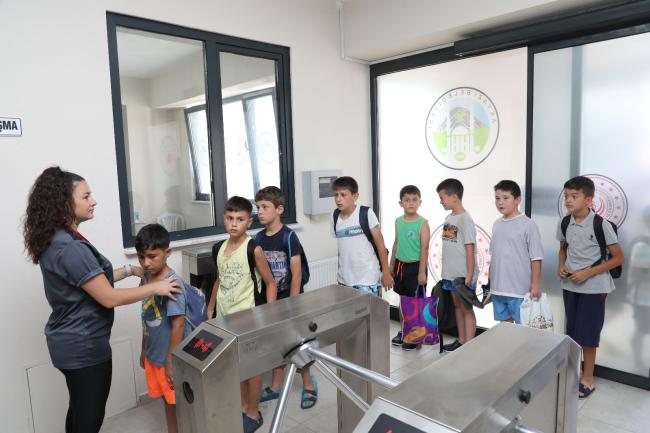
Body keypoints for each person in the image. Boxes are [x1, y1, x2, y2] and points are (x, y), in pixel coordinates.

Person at [23, 166, 180, 433]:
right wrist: (157, 287)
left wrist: (129, 270)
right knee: (89, 418)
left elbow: (89, 281)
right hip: (83, 347)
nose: (93, 201)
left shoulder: (59, 238)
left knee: (78, 409)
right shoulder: (70, 248)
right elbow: (108, 297)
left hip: (67, 342)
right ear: (64, 202)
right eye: (86, 196)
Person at [206, 196, 277, 433]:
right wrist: (210, 307)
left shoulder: (253, 249)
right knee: (234, 367)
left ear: (249, 222)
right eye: (230, 218)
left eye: (240, 219)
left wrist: (269, 313)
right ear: (224, 219)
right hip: (224, 318)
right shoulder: (218, 248)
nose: (234, 223)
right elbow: (219, 280)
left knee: (251, 367)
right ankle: (243, 406)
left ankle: (253, 413)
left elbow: (270, 282)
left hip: (249, 318)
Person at [557, 176, 624, 399]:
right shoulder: (565, 222)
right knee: (572, 333)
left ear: (588, 200)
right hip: (570, 286)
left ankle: (587, 379)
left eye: (574, 196)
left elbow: (618, 258)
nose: (568, 200)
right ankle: (572, 373)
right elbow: (563, 248)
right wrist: (561, 266)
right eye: (566, 196)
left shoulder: (601, 224)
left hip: (594, 288)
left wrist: (587, 272)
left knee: (588, 335)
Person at [254, 186, 318, 409]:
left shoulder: (289, 236)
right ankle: (275, 386)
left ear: (279, 209)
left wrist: (292, 304)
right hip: (271, 301)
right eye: (258, 207)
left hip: (291, 300)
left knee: (298, 342)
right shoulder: (259, 238)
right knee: (276, 343)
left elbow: (296, 273)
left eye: (265, 207)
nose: (260, 212)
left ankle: (308, 384)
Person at [136, 224, 191, 433]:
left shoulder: (173, 283)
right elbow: (145, 316)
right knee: (167, 401)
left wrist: (170, 362)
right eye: (141, 257)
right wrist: (144, 349)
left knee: (176, 402)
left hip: (167, 358)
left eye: (152, 256)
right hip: (154, 355)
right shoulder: (146, 278)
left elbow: (178, 324)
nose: (146, 263)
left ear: (167, 252)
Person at [489, 180, 544, 323]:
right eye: (497, 198)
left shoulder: (528, 224)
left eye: (505, 198)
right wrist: (490, 282)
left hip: (519, 290)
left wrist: (535, 284)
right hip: (498, 289)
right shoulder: (496, 224)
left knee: (523, 329)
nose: (500, 202)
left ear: (518, 200)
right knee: (505, 327)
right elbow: (494, 255)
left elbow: (536, 257)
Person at [436, 178, 479, 352]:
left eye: (442, 197)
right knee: (457, 307)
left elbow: (470, 248)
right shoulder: (449, 217)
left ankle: (469, 346)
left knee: (466, 308)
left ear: (454, 197)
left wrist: (469, 275)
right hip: (450, 274)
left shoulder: (465, 219)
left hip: (463, 276)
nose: (440, 201)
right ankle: (461, 342)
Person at [331, 176, 393, 296]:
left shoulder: (366, 213)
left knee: (368, 309)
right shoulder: (334, 216)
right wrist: (340, 274)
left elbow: (381, 245)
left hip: (367, 279)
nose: (338, 199)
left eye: (343, 195)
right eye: (336, 195)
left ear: (355, 196)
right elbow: (341, 249)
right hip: (344, 280)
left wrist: (386, 273)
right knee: (348, 309)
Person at [389, 185, 430, 350]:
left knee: (414, 304)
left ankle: (415, 337)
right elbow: (396, 242)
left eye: (414, 200)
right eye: (407, 200)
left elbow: (425, 249)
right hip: (400, 267)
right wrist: (391, 264)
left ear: (420, 202)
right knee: (403, 301)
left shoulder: (423, 223)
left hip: (416, 267)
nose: (411, 203)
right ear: (401, 203)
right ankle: (404, 331)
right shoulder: (398, 221)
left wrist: (421, 272)